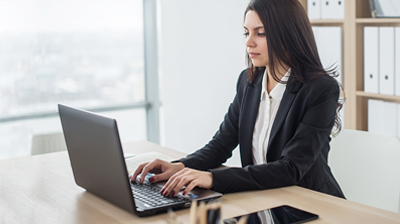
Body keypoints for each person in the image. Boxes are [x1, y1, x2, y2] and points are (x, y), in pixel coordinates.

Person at [131, 0, 345, 199]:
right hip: (263, 199)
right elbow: (221, 145)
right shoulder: (248, 81)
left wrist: (213, 178)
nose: (249, 43)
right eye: (246, 33)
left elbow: (291, 168)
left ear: (288, 34)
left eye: (260, 33)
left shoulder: (320, 90)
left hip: (309, 201)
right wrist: (181, 166)